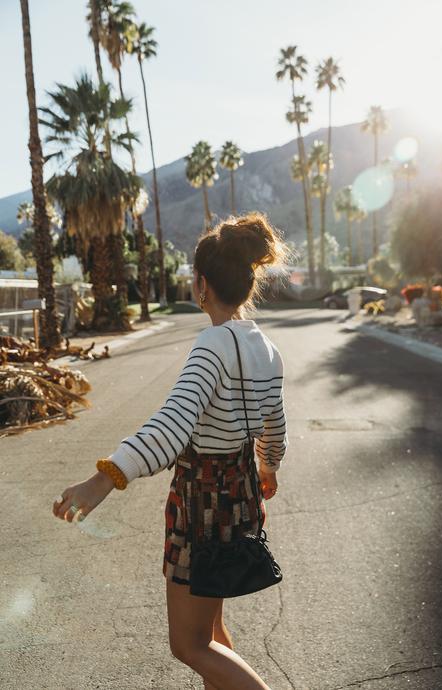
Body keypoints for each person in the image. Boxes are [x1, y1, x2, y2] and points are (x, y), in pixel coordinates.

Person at [52, 212, 289, 690]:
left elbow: (173, 426)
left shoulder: (212, 345)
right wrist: (268, 467)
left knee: (189, 645)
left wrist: (105, 478)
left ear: (201, 285)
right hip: (239, 494)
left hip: (202, 499)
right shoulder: (265, 347)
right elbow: (274, 426)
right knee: (212, 631)